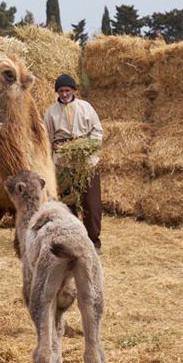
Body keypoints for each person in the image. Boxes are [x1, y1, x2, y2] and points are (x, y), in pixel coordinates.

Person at [43, 73, 103, 251]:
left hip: (87, 163)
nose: (64, 94)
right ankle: (70, 241)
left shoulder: (86, 107)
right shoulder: (51, 112)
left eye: (67, 90)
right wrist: (55, 147)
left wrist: (89, 146)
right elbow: (47, 137)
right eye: (61, 91)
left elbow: (97, 130)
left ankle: (93, 241)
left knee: (91, 204)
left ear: (73, 90)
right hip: (64, 163)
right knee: (67, 205)